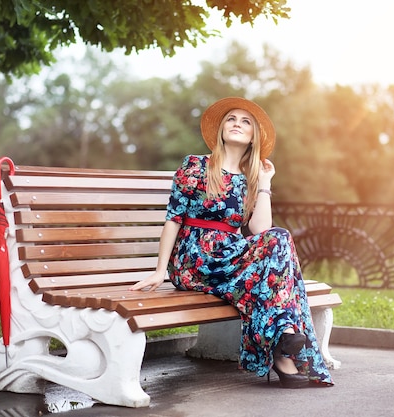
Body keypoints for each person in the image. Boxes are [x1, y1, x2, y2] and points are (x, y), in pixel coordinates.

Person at [130, 97, 333, 388]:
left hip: (229, 255)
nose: (237, 124)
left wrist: (265, 182)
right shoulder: (197, 166)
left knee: (280, 238)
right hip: (195, 258)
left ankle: (285, 336)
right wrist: (160, 270)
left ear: (253, 138)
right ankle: (282, 349)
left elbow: (260, 229)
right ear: (222, 129)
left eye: (245, 121)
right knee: (270, 272)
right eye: (231, 119)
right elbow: (174, 218)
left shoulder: (250, 179)